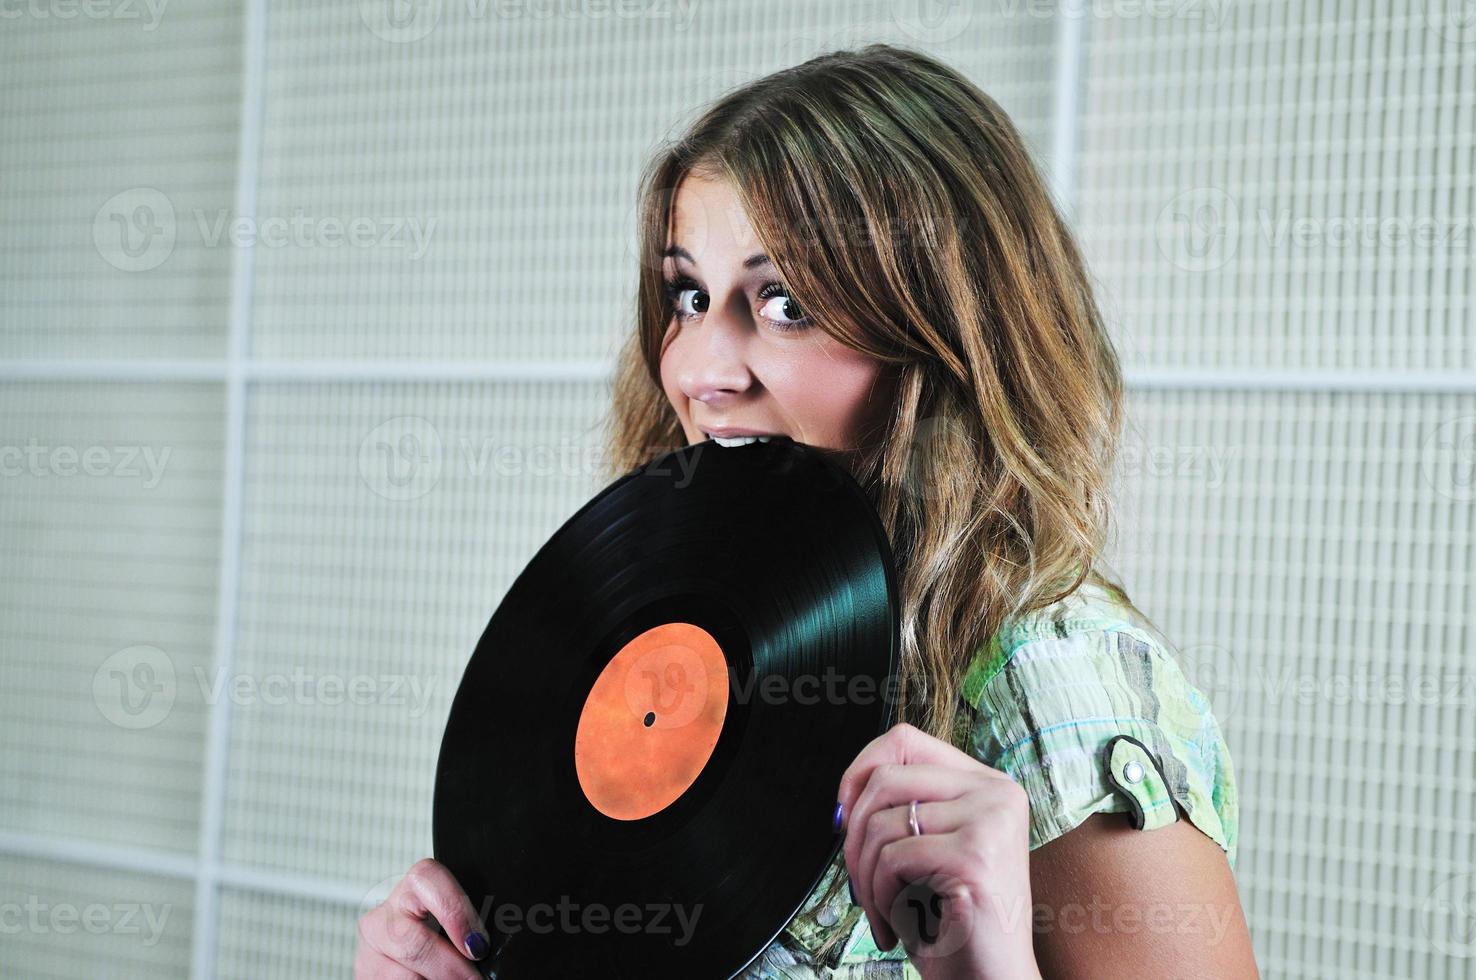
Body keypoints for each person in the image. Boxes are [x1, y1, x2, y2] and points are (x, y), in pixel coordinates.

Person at [355, 43, 1257, 979]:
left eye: (784, 301)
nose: (703, 370)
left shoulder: (1058, 688)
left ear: (945, 332)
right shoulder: (688, 634)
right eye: (690, 295)